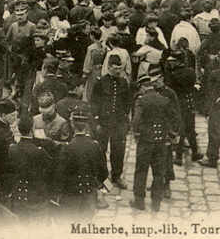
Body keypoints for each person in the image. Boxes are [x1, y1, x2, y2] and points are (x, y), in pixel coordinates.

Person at [130, 72, 181, 211]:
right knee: (159, 172)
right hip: (161, 142)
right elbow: (174, 118)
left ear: (143, 87)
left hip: (146, 141)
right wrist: (172, 134)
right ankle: (156, 203)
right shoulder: (164, 100)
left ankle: (139, 201)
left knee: (141, 170)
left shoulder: (141, 100)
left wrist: (136, 133)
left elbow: (136, 120)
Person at [55, 107, 108, 217]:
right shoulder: (95, 146)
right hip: (89, 196)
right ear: (87, 125)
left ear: (73, 125)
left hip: (71, 196)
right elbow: (103, 173)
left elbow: (60, 174)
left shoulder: (67, 148)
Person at [91, 54, 131, 189]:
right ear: (108, 68)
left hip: (118, 122)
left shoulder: (124, 83)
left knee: (118, 150)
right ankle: (101, 177)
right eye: (115, 69)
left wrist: (125, 120)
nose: (118, 71)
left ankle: (116, 176)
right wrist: (96, 121)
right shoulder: (100, 82)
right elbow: (94, 103)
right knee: (101, 149)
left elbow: (127, 103)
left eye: (120, 69)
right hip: (103, 122)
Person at [7, 114, 54, 219]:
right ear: (32, 129)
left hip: (18, 194)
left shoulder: (12, 149)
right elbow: (50, 171)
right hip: (35, 196)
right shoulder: (39, 152)